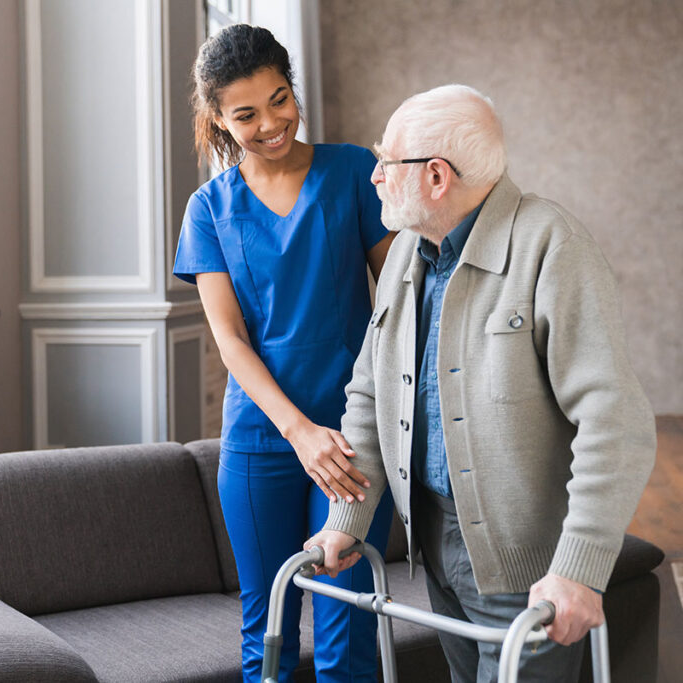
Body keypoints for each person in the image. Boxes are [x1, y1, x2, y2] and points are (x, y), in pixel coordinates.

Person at [305, 84, 656, 682]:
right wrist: (347, 520)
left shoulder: (550, 244)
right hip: (435, 550)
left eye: (385, 162)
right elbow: (370, 394)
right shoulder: (405, 256)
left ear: (437, 177)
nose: (375, 177)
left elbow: (615, 423)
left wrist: (578, 568)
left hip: (530, 571)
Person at [173, 23, 396, 683]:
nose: (271, 122)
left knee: (347, 631)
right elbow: (231, 341)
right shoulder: (208, 208)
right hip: (261, 442)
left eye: (279, 99)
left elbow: (397, 305)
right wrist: (299, 433)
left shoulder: (354, 172)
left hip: (354, 440)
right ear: (217, 116)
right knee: (265, 633)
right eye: (246, 113)